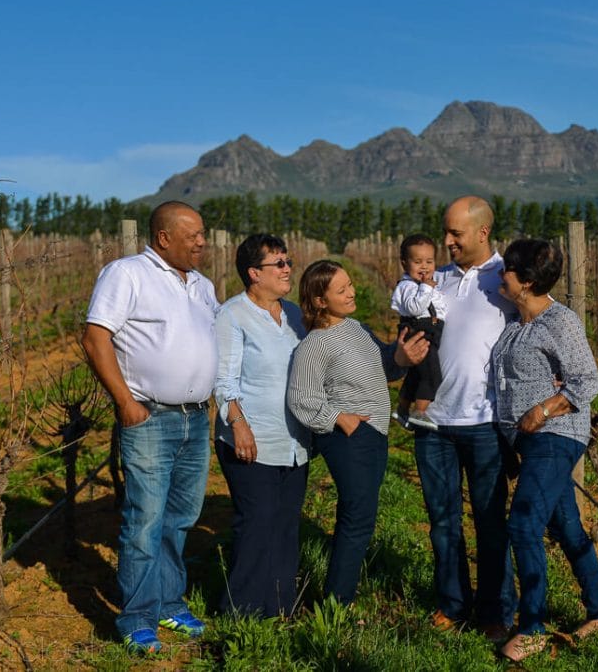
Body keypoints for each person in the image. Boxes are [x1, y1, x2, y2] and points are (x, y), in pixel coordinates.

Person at [81, 201, 217, 655]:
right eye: (194, 235)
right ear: (164, 238)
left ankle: (168, 604)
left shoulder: (202, 285)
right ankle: (136, 616)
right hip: (150, 416)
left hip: (195, 417)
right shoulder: (127, 273)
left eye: (202, 234)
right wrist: (125, 401)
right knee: (144, 521)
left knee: (180, 519)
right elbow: (95, 336)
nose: (203, 242)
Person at [491, 238, 598, 662]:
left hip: (556, 435)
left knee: (523, 526)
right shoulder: (515, 323)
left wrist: (542, 410)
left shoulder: (560, 322)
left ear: (525, 282)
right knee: (566, 526)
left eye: (506, 269)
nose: (500, 275)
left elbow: (586, 380)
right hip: (529, 439)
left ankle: (533, 626)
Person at [287, 260, 428, 605]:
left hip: (372, 432)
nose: (351, 293)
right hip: (349, 437)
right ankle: (337, 603)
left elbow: (384, 366)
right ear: (320, 301)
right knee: (357, 518)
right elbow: (300, 397)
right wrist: (340, 418)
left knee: (360, 514)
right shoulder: (315, 344)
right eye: (341, 290)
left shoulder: (357, 328)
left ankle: (339, 596)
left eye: (350, 285)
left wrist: (401, 357)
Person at [414, 196, 517, 641]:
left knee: (491, 522)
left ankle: (496, 611)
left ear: (482, 233)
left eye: (455, 233)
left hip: (486, 423)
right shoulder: (437, 280)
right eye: (446, 231)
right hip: (434, 423)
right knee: (442, 520)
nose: (447, 241)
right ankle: (453, 603)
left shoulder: (508, 280)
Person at [213, 234, 310, 618]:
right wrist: (238, 424)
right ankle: (242, 613)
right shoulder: (232, 315)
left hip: (294, 442)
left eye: (288, 261)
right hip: (251, 439)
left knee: (286, 527)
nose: (288, 269)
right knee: (256, 526)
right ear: (255, 273)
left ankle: (280, 606)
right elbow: (223, 379)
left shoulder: (295, 316)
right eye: (279, 264)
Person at [390, 233, 448, 431]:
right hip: (420, 331)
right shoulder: (408, 286)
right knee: (432, 375)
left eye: (429, 261)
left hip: (426, 329)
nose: (424, 266)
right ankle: (420, 413)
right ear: (405, 263)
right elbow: (415, 308)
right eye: (418, 261)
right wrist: (426, 288)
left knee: (416, 375)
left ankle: (403, 409)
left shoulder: (423, 285)